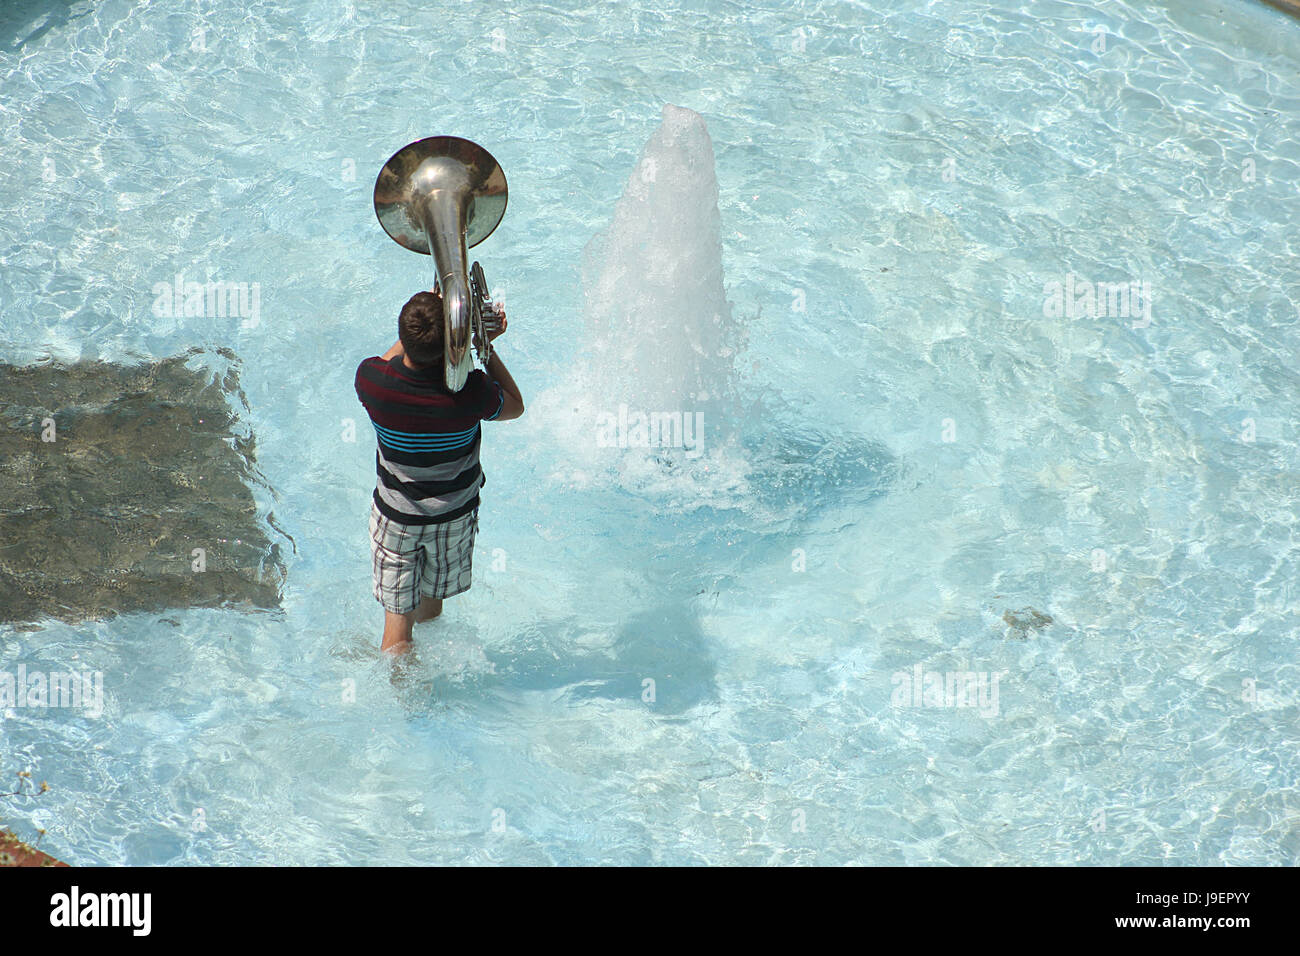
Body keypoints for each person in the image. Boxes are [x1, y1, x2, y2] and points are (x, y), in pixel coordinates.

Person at [354, 290, 524, 654]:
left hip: (398, 519)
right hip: (453, 516)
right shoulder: (471, 391)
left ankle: (401, 701)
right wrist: (483, 348)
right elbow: (515, 405)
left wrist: (421, 330)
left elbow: (390, 358)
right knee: (431, 607)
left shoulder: (372, 382)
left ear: (403, 334)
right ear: (451, 342)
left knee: (397, 627)